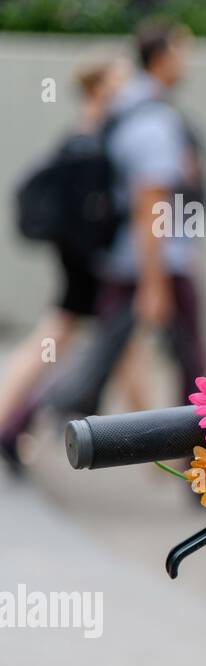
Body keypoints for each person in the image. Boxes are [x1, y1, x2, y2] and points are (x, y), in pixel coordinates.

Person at [1, 19, 206, 473]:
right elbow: (149, 204)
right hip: (151, 262)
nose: (186, 60)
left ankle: (21, 422)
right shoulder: (150, 119)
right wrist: (155, 283)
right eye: (180, 50)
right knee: (194, 367)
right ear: (161, 57)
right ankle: (203, 464)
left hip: (123, 259)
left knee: (103, 355)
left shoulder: (124, 113)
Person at [0, 56, 148, 439]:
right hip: (88, 265)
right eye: (119, 82)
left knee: (115, 349)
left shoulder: (88, 136)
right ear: (99, 89)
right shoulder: (88, 142)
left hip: (83, 261)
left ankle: (155, 446)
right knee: (56, 341)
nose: (127, 90)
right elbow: (92, 216)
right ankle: (7, 422)